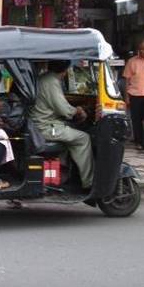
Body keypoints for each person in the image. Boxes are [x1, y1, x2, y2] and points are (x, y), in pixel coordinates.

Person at [29, 60, 93, 191]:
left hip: (44, 123)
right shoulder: (51, 81)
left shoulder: (45, 78)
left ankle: (64, 172)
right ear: (65, 70)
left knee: (72, 133)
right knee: (83, 138)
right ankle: (89, 182)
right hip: (46, 127)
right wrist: (78, 111)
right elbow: (63, 109)